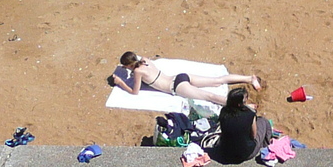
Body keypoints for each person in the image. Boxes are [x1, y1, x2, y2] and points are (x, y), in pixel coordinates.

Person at [109, 52, 261, 108]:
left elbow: (134, 92)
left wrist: (120, 83)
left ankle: (245, 106)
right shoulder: (145, 60)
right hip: (180, 76)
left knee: (210, 97)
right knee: (217, 80)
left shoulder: (137, 72)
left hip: (176, 86)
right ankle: (249, 78)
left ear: (128, 65)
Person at [213, 86, 272, 164]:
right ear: (239, 104)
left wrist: (246, 107)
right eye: (244, 101)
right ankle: (266, 144)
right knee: (263, 121)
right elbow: (253, 136)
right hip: (245, 154)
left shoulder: (223, 112)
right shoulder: (250, 114)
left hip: (225, 153)